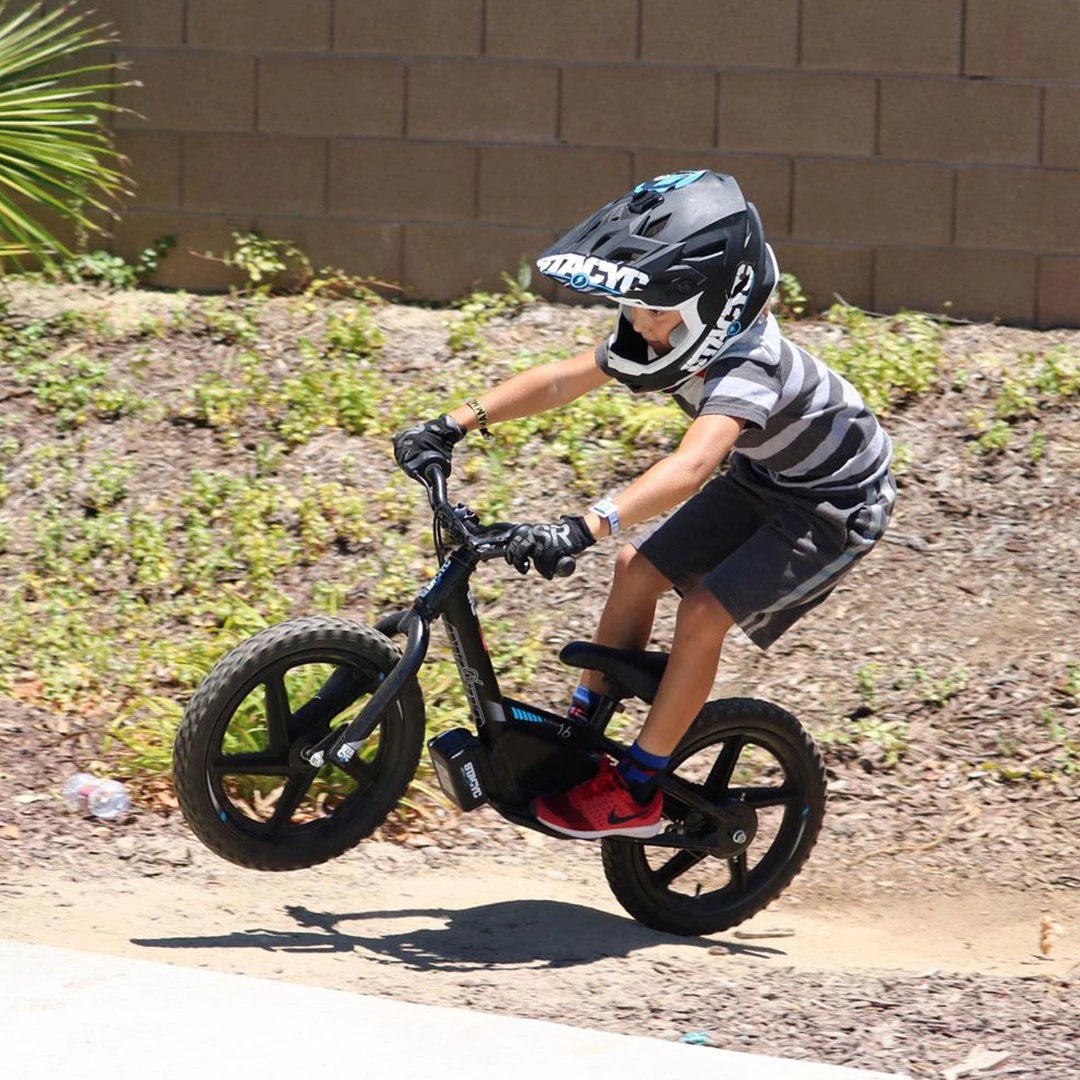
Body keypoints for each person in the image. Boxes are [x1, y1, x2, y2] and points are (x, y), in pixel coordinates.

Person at [392, 169, 895, 841]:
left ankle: (636, 788)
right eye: (634, 305)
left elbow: (691, 467)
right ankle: (584, 732)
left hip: (836, 503)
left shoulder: (749, 363)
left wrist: (583, 527)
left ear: (715, 308)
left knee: (704, 611)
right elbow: (562, 379)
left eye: (657, 310)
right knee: (635, 568)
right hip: (765, 476)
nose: (639, 322)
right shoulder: (664, 337)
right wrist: (452, 423)